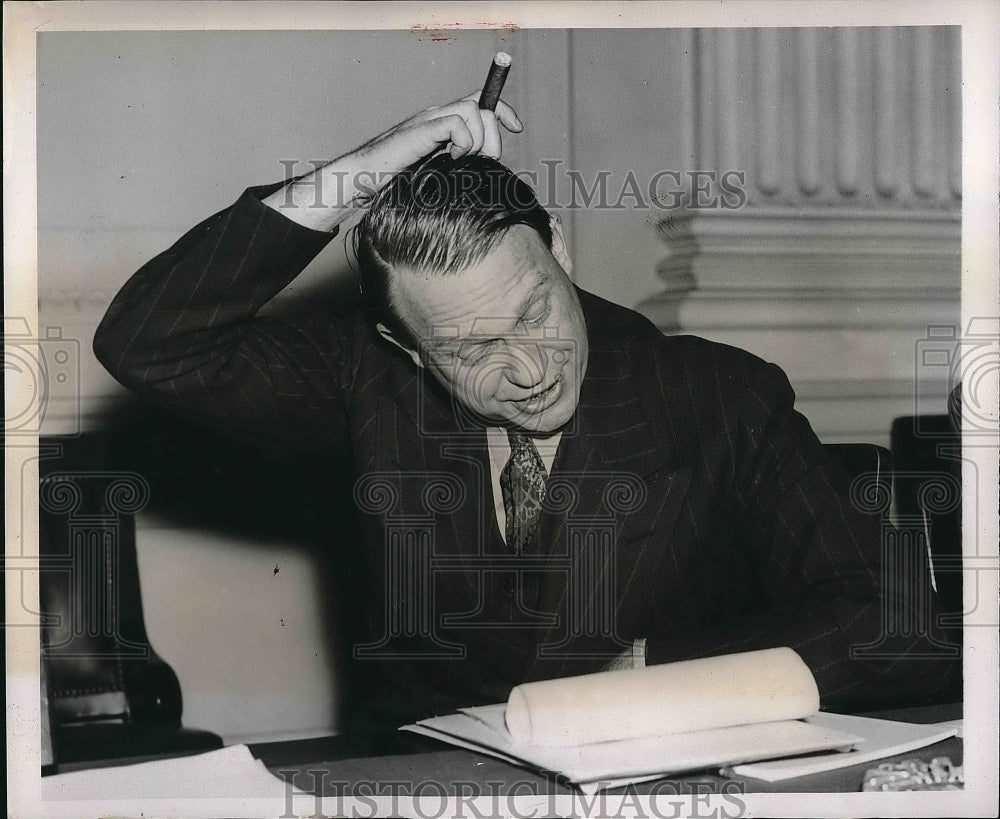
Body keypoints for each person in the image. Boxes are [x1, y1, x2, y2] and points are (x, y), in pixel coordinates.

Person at [93, 91, 955, 728]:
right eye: (470, 351)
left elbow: (892, 621)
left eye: (536, 312)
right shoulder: (371, 381)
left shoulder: (716, 395)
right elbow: (149, 340)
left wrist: (660, 668)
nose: (531, 369)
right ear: (406, 346)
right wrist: (375, 162)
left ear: (561, 252)